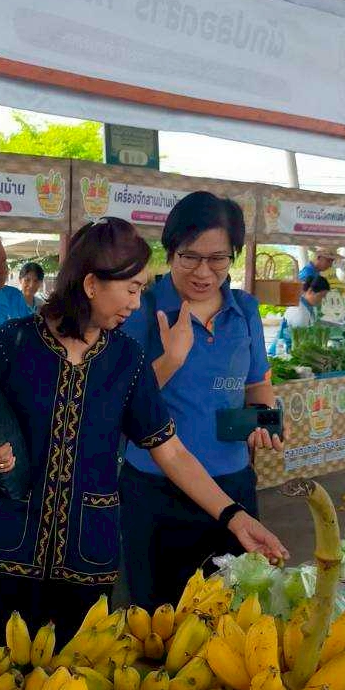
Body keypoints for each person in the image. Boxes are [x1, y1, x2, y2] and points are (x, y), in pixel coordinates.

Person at [0, 218, 288, 640]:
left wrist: (234, 517)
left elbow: (170, 450)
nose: (135, 303)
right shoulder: (10, 344)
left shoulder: (127, 359)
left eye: (141, 290)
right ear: (91, 284)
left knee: (76, 668)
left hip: (87, 551)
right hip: (6, 543)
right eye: (131, 289)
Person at [120, 192, 283, 608]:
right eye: (189, 257)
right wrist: (171, 358)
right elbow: (120, 402)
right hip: (156, 490)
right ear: (170, 251)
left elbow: (257, 384)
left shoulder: (244, 309)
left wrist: (263, 418)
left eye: (218, 259)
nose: (203, 272)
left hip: (232, 483)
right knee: (159, 617)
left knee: (235, 611)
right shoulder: (142, 308)